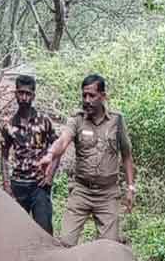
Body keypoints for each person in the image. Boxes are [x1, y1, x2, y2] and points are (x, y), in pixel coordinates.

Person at [37, 74, 136, 247]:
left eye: (92, 95)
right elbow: (63, 140)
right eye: (84, 95)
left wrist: (130, 187)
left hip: (108, 194)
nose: (87, 100)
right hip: (82, 191)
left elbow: (127, 155)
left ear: (103, 96)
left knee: (109, 248)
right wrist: (50, 154)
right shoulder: (77, 120)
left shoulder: (116, 121)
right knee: (65, 243)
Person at [0, 74, 59, 234]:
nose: (24, 98)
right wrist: (6, 185)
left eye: (28, 94)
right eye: (21, 93)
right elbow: (4, 156)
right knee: (14, 233)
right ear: (15, 94)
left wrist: (49, 176)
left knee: (45, 231)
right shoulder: (9, 125)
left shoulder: (44, 121)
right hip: (17, 185)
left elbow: (57, 149)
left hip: (38, 185)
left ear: (33, 96)